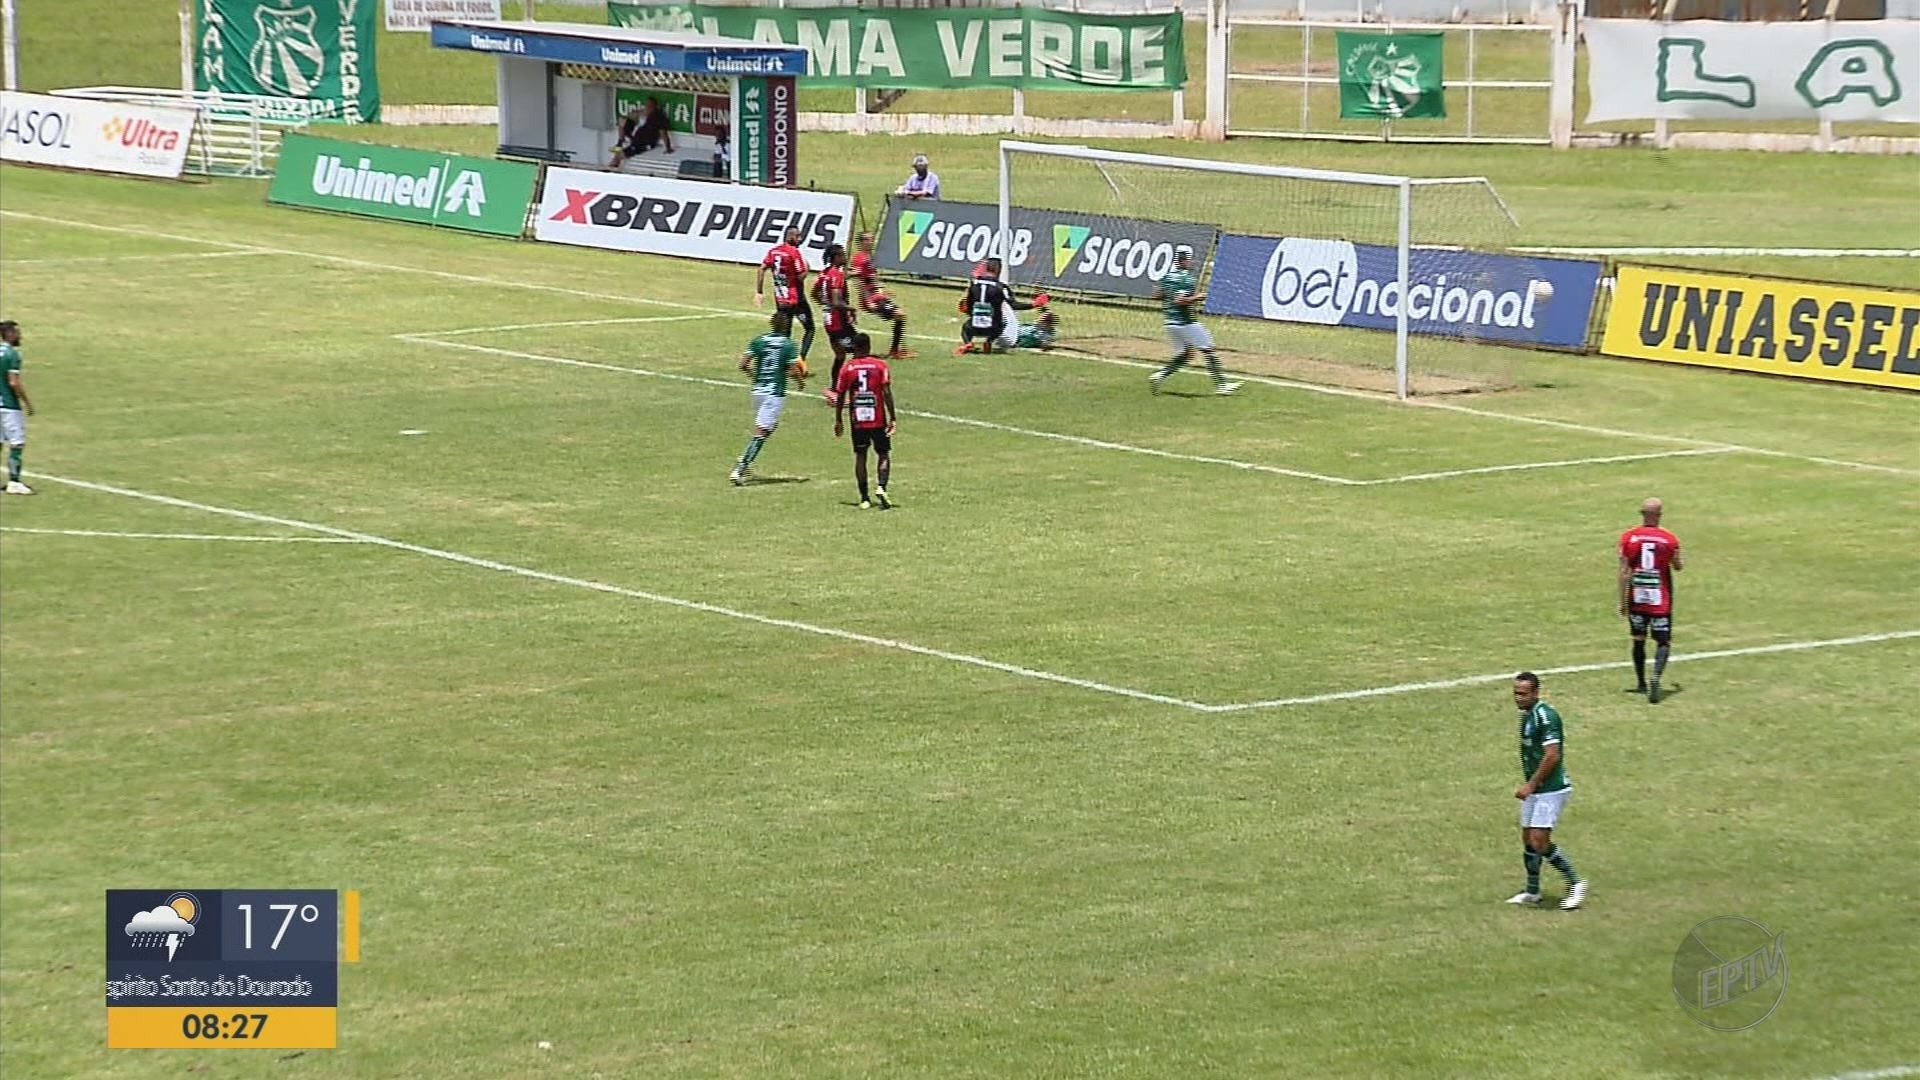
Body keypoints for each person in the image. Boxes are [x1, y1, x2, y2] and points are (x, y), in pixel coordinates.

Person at [1507, 672, 1587, 911]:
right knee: (1528, 840)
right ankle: (1532, 891)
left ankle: (1576, 882)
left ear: (1536, 693)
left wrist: (1531, 785)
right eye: (1516, 693)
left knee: (1540, 840)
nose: (1518, 698)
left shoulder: (1546, 716)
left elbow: (1553, 755)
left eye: (1523, 694)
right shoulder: (1527, 716)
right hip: (1536, 788)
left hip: (1551, 789)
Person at [1148, 244, 1238, 396]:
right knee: (1208, 350)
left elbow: (1157, 295)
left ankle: (1160, 375)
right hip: (1186, 322)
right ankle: (1222, 385)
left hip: (1170, 322)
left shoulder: (1168, 276)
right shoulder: (1186, 278)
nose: (1192, 263)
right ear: (1183, 261)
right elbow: (1179, 300)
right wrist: (1198, 297)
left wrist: (1170, 296)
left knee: (1186, 355)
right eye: (1189, 260)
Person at [1619, 497, 1684, 703]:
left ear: (1642, 514)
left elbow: (1624, 571)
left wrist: (1622, 601)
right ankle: (1656, 674)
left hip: (1637, 596)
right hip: (1660, 598)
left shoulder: (1629, 537)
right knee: (1663, 641)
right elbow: (1678, 566)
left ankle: (1640, 682)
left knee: (1638, 639)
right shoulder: (1669, 539)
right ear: (1659, 515)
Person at [730, 313, 805, 486]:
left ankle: (746, 458)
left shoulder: (759, 340)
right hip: (774, 393)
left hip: (758, 391)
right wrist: (800, 382)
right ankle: (740, 467)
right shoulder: (789, 345)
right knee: (761, 432)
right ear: (787, 327)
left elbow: (743, 364)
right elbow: (794, 370)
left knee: (769, 427)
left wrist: (754, 376)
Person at [832, 333, 896, 510]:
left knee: (861, 456)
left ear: (854, 347)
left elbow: (840, 395)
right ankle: (882, 487)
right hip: (878, 419)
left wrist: (838, 419)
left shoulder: (848, 368)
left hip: (858, 420)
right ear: (869, 346)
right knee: (883, 453)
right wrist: (893, 417)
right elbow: (887, 393)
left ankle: (864, 497)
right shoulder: (880, 365)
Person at [955, 259, 1044, 356]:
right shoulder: (1001, 287)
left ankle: (968, 342)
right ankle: (989, 341)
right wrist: (1033, 305)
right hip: (992, 328)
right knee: (1002, 323)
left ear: (986, 268)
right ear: (998, 269)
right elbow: (1013, 305)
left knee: (965, 327)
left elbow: (968, 305)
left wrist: (967, 310)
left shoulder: (974, 285)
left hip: (974, 327)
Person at [754, 226, 815, 361]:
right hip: (796, 299)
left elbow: (761, 269)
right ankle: (800, 360)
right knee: (810, 329)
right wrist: (807, 269)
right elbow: (800, 276)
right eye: (798, 236)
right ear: (791, 237)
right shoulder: (793, 252)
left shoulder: (774, 251)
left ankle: (780, 361)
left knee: (784, 332)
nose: (800, 239)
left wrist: (759, 291)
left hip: (780, 299)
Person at [850, 231, 912, 360]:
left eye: (872, 239)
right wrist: (868, 300)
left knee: (899, 316)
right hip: (872, 298)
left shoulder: (868, 257)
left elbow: (871, 277)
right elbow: (859, 280)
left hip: (877, 296)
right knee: (899, 315)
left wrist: (881, 288)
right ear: (861, 242)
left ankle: (895, 350)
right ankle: (893, 351)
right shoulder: (860, 259)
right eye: (868, 240)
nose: (871, 242)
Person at [813, 243, 857, 403]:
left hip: (829, 320)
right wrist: (851, 309)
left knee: (840, 355)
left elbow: (814, 293)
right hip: (838, 322)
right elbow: (837, 301)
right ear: (836, 258)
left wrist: (825, 306)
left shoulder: (823, 274)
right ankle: (846, 391)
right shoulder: (836, 275)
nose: (845, 257)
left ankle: (834, 389)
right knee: (859, 352)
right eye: (843, 255)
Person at [1, 321, 32, 494]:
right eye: (18, 333)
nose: (20, 336)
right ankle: (14, 482)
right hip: (8, 405)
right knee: (17, 443)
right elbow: (13, 382)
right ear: (10, 334)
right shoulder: (12, 354)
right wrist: (27, 403)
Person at [608, 98, 674, 168]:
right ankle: (621, 141)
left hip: (644, 142)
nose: (647, 108)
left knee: (618, 155)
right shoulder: (644, 113)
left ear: (655, 107)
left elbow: (663, 134)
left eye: (649, 106)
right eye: (646, 105)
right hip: (635, 134)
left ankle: (611, 168)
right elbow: (630, 115)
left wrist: (668, 148)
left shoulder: (659, 118)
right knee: (622, 120)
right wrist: (640, 113)